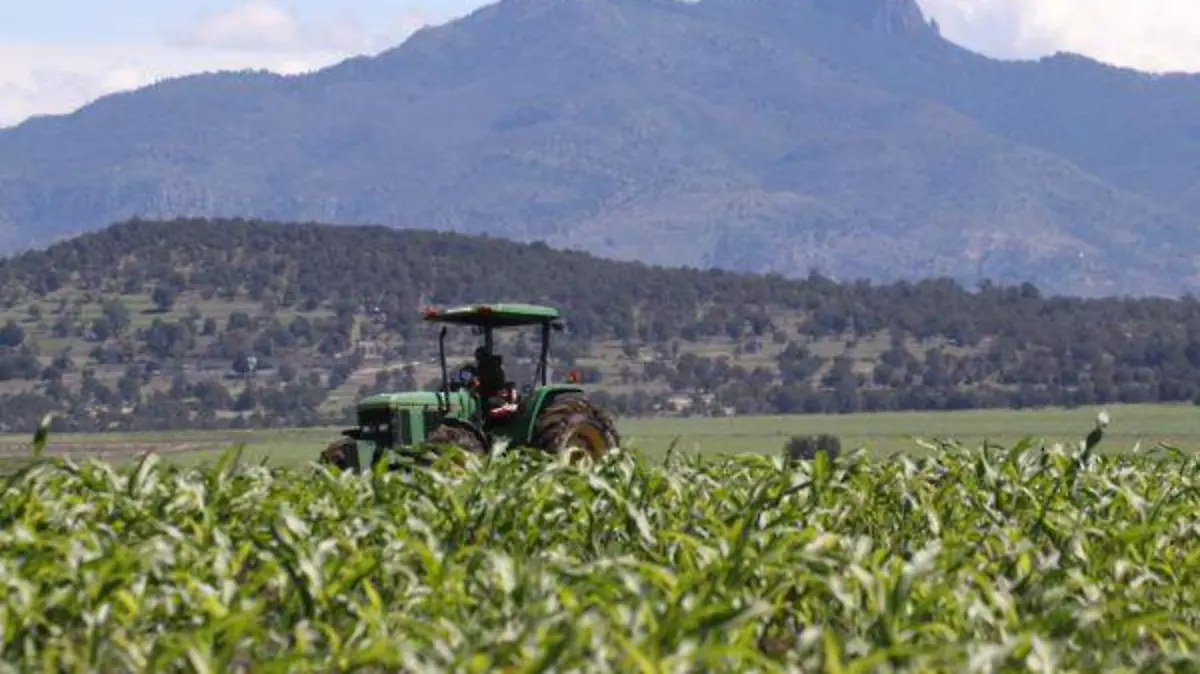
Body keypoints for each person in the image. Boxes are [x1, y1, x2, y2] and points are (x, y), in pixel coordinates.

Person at [472, 346, 519, 420]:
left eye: (478, 357)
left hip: (492, 393)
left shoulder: (489, 367)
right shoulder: (491, 365)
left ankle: (480, 419)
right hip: (491, 392)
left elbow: (488, 382)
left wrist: (478, 387)